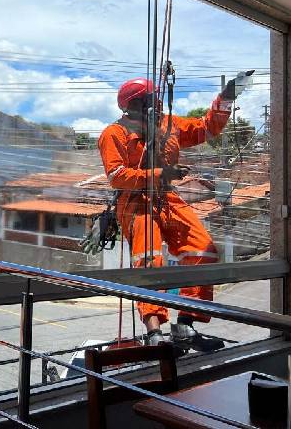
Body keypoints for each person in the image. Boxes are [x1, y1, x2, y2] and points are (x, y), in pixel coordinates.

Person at [96, 74, 250, 352]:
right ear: (133, 105)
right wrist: (160, 172)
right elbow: (118, 176)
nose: (157, 104)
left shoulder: (168, 125)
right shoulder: (114, 134)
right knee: (149, 260)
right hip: (136, 201)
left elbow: (206, 128)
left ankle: (186, 325)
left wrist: (226, 97)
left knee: (203, 249)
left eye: (156, 98)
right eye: (149, 99)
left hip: (166, 197)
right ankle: (154, 331)